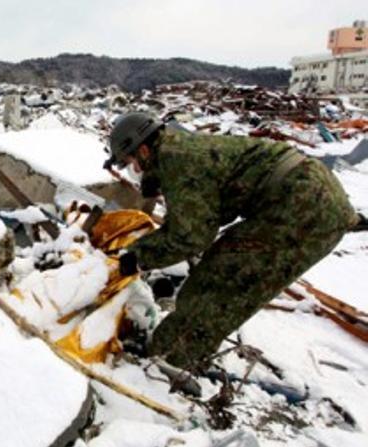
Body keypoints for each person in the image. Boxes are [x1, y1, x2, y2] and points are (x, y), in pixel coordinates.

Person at [105, 112, 358, 367]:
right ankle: (175, 353)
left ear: (144, 151)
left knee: (219, 285)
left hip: (304, 207)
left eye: (129, 163)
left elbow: (191, 236)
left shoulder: (176, 160)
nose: (133, 171)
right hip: (305, 196)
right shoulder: (178, 148)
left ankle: (166, 361)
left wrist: (135, 258)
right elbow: (201, 216)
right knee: (219, 268)